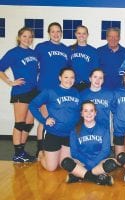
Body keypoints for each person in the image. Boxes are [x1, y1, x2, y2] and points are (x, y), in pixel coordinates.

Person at [29, 67, 80, 171]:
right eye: (66, 77)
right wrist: (44, 120)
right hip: (53, 134)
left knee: (63, 165)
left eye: (72, 77)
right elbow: (33, 105)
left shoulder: (76, 92)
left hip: (69, 135)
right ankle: (42, 155)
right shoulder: (50, 91)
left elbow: (78, 111)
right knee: (51, 168)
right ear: (60, 77)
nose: (69, 80)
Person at [0, 27, 38, 162]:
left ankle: (22, 151)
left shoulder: (33, 53)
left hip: (33, 92)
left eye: (30, 37)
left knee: (29, 123)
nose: (27, 39)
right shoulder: (13, 53)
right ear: (19, 37)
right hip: (20, 92)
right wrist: (10, 82)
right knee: (20, 123)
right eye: (24, 36)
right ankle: (17, 154)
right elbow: (0, 68)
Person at [34, 22, 71, 157]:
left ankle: (54, 149)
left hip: (59, 92)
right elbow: (33, 65)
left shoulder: (66, 50)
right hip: (44, 90)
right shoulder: (41, 47)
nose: (56, 34)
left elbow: (67, 71)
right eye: (53, 31)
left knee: (56, 119)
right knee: (45, 120)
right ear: (49, 33)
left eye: (58, 31)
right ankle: (40, 149)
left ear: (61, 33)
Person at [61, 101, 118, 185]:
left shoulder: (104, 129)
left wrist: (94, 162)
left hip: (99, 162)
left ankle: (80, 175)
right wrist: (87, 162)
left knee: (112, 163)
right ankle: (96, 178)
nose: (89, 113)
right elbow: (74, 152)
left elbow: (105, 151)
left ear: (95, 113)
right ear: (81, 113)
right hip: (82, 162)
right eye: (85, 111)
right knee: (65, 162)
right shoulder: (75, 130)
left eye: (91, 111)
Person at [69, 25, 99, 91]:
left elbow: (95, 70)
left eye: (84, 33)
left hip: (87, 84)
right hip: (72, 83)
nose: (81, 35)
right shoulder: (70, 49)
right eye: (79, 33)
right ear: (75, 34)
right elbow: (67, 67)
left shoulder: (93, 51)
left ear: (87, 35)